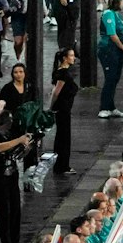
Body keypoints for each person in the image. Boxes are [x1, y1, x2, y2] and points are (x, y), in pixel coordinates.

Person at [0, 111, 31, 243]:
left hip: (12, 177)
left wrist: (26, 147)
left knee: (15, 211)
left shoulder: (11, 136)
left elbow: (17, 154)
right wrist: (19, 140)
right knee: (4, 212)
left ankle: (15, 242)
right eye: (10, 120)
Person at [97, 0, 123, 118]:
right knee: (110, 78)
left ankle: (111, 106)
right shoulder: (108, 14)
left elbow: (122, 32)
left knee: (115, 78)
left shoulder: (117, 15)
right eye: (122, 1)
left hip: (117, 51)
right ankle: (104, 107)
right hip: (108, 50)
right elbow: (112, 34)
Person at [47, 47, 77, 178]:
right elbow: (56, 92)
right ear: (65, 58)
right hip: (63, 109)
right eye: (71, 55)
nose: (73, 58)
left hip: (64, 109)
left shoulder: (60, 72)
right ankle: (62, 165)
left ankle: (60, 164)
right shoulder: (64, 74)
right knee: (64, 138)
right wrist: (50, 107)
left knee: (61, 137)